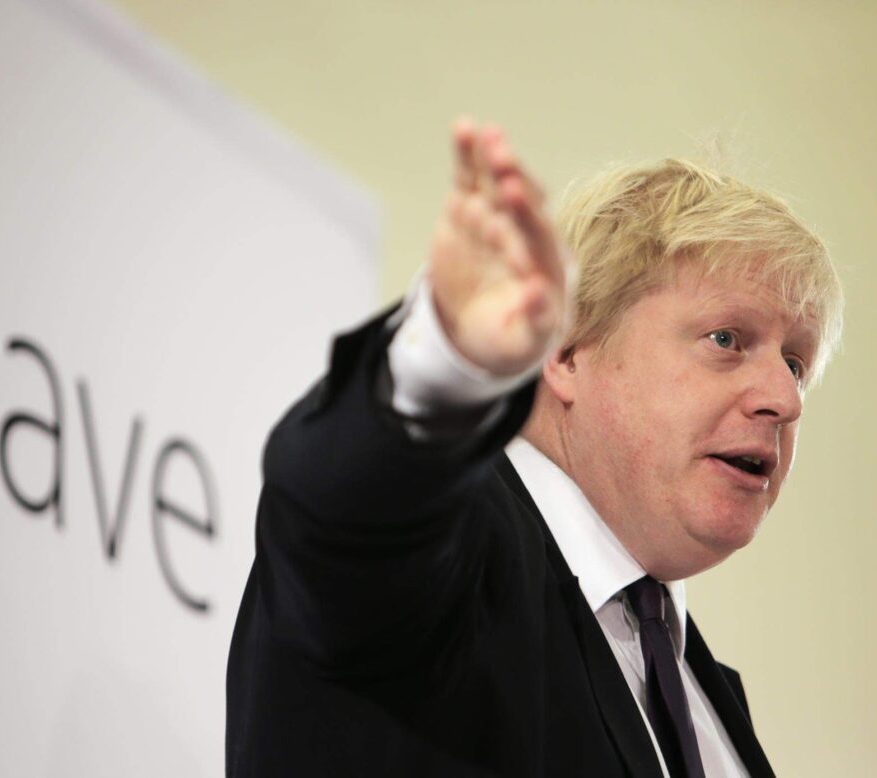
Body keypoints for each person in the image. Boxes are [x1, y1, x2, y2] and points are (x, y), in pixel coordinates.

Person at [226, 120, 843, 777]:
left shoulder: (711, 704)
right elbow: (340, 507)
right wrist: (443, 359)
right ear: (567, 352)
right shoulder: (444, 568)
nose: (785, 399)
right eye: (726, 339)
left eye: (795, 363)